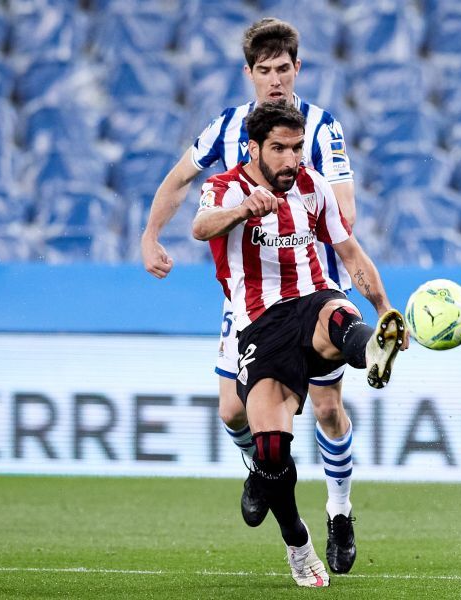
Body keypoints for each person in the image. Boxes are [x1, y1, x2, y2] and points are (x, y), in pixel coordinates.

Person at [140, 19, 361, 573]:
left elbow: (344, 211)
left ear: (297, 69)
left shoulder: (322, 128)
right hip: (250, 299)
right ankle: (263, 470)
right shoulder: (227, 127)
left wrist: (291, 210)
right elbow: (178, 181)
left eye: (283, 69)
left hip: (313, 290)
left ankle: (339, 513)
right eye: (263, 71)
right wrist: (150, 234)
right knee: (232, 409)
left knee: (329, 409)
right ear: (249, 74)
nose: (274, 81)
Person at [192, 101, 407, 588]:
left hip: (312, 300)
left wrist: (384, 307)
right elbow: (199, 228)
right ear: (254, 148)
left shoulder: (313, 185)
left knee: (337, 315)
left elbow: (349, 252)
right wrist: (242, 210)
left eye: (296, 148)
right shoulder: (223, 188)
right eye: (279, 150)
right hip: (260, 325)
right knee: (270, 448)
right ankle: (296, 539)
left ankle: (372, 349)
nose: (291, 160)